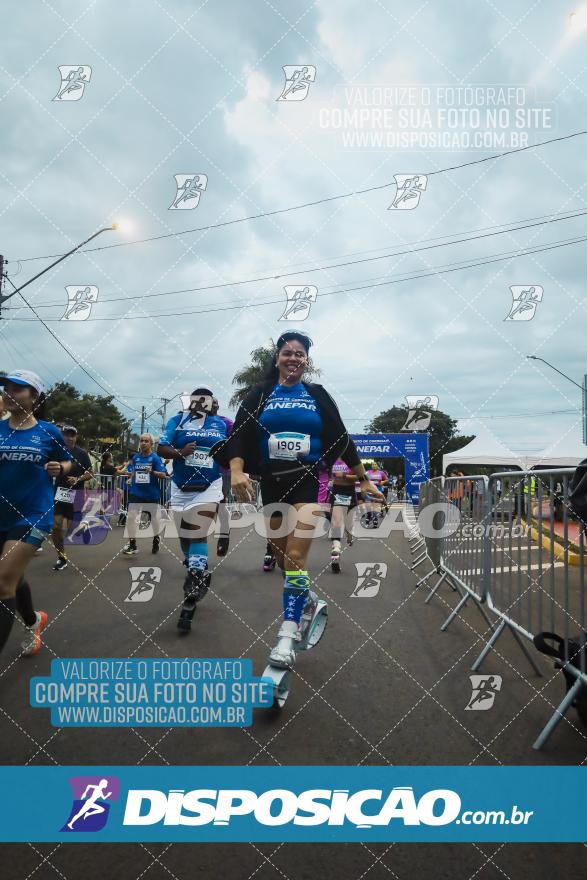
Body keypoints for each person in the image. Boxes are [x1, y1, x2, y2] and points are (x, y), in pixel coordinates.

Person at [211, 330, 385, 669]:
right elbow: (241, 435)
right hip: (272, 486)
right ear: (277, 358)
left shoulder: (317, 395)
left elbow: (340, 438)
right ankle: (305, 599)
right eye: (288, 352)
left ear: (307, 361)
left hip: (309, 483)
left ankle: (287, 637)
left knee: (295, 554)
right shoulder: (261, 393)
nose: (294, 358)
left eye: (300, 354)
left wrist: (363, 481)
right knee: (283, 560)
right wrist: (236, 471)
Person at [0, 370, 72, 656]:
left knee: (3, 579)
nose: (9, 393)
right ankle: (33, 621)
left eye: (18, 389)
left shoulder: (48, 431)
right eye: (6, 388)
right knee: (12, 577)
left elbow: (67, 463)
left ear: (35, 396)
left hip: (32, 513)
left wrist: (59, 468)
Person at [157, 387, 230, 632]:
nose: (202, 403)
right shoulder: (177, 421)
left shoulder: (220, 423)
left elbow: (233, 449)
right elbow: (162, 449)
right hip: (180, 487)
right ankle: (196, 567)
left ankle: (193, 585)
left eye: (206, 400)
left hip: (209, 486)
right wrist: (181, 452)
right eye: (198, 399)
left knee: (198, 532)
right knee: (186, 538)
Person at [51, 426, 93, 570]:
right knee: (55, 526)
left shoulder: (81, 454)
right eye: (67, 435)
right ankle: (61, 556)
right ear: (62, 436)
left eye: (72, 435)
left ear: (76, 437)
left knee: (71, 530)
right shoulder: (56, 451)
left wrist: (77, 479)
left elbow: (90, 473)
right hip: (59, 493)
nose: (70, 437)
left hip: (76, 494)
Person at [120, 434, 167, 555]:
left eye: (146, 441)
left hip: (151, 494)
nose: (143, 443)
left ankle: (156, 537)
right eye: (141, 441)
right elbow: (135, 470)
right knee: (131, 517)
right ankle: (132, 545)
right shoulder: (136, 457)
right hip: (136, 492)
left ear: (151, 444)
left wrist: (152, 472)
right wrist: (131, 478)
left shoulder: (155, 458)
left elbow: (163, 475)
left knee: (154, 521)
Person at [210, 397, 234, 556]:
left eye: (216, 403)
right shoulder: (194, 424)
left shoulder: (227, 423)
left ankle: (223, 536)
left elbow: (236, 444)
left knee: (219, 504)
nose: (213, 405)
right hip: (201, 470)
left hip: (222, 471)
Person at [328, 458, 360, 572]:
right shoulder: (331, 459)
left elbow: (360, 476)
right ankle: (336, 549)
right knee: (336, 522)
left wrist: (345, 475)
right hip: (337, 491)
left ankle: (349, 533)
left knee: (349, 523)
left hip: (349, 491)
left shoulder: (352, 459)